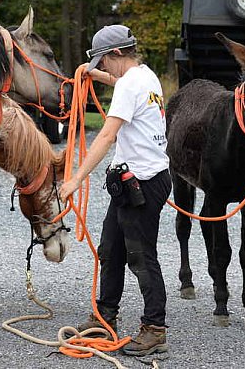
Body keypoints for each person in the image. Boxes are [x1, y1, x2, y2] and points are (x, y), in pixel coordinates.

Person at [59, 24, 172, 357]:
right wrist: (96, 77)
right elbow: (122, 84)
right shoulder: (146, 77)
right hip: (137, 182)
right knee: (111, 249)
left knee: (141, 257)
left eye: (103, 62)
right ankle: (104, 316)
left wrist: (76, 179)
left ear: (116, 53)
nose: (102, 68)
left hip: (142, 184)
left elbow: (106, 136)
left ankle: (155, 329)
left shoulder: (130, 85)